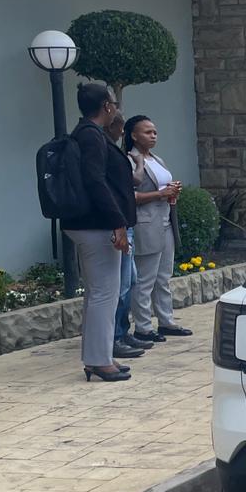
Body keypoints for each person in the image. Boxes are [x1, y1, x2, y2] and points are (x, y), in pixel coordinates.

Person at [63, 83, 135, 383]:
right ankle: (98, 360)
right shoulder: (92, 137)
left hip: (90, 224)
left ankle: (100, 356)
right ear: (107, 106)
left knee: (98, 293)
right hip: (97, 225)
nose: (116, 108)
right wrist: (117, 222)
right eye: (114, 104)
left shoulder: (84, 133)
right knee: (105, 293)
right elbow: (95, 181)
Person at [124, 115, 190, 343]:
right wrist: (160, 194)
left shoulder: (157, 159)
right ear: (133, 135)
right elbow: (128, 196)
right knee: (145, 278)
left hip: (165, 221)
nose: (153, 136)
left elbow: (162, 188)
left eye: (155, 132)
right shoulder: (130, 160)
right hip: (146, 224)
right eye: (147, 132)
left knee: (163, 276)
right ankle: (142, 327)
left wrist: (172, 190)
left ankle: (166, 321)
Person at [103, 113, 146, 363]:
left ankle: (123, 331)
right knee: (120, 284)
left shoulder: (115, 153)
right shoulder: (119, 155)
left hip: (127, 224)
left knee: (130, 281)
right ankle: (115, 337)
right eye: (119, 128)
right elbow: (135, 181)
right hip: (119, 226)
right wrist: (139, 163)